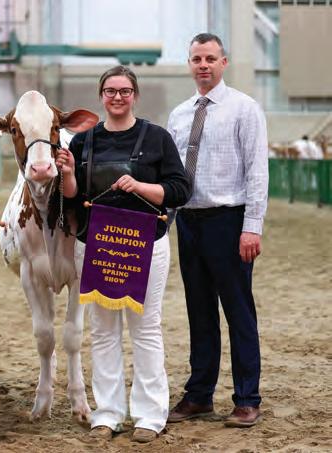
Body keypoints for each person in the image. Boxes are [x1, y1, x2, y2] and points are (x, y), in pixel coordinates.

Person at [56, 65, 190, 443]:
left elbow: (180, 190)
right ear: (101, 96)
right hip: (96, 244)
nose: (118, 97)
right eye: (111, 91)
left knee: (145, 329)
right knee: (103, 331)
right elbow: (71, 197)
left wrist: (141, 186)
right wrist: (68, 173)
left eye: (125, 91)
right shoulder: (83, 141)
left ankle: (150, 415)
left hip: (144, 244)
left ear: (135, 95)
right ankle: (108, 413)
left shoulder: (157, 138)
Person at [166, 33, 268, 428]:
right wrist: (165, 219)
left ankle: (247, 398)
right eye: (197, 58)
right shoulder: (179, 114)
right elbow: (173, 175)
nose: (203, 65)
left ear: (223, 62)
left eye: (210, 58)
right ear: (189, 64)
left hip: (229, 221)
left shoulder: (245, 109)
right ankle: (199, 395)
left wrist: (252, 227)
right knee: (199, 311)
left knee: (238, 311)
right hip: (188, 221)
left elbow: (257, 171)